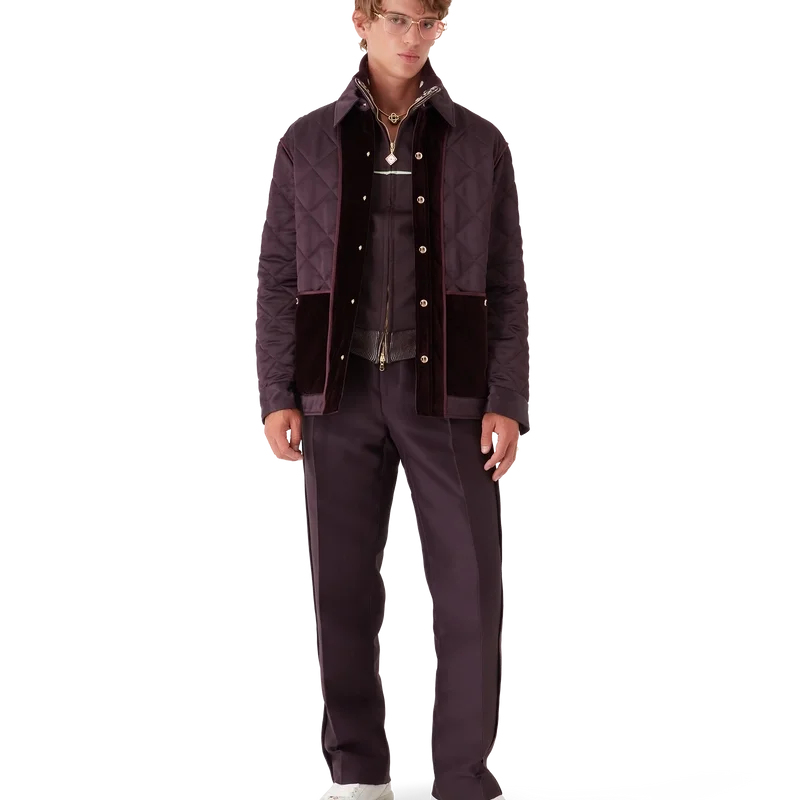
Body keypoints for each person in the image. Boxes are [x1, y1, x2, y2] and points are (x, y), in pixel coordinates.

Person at [256, 1, 530, 798]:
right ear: (361, 20)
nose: (416, 39)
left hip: (448, 391)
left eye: (430, 22)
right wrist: (277, 393)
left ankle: (464, 777)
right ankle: (356, 771)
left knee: (471, 588)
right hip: (336, 392)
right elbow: (278, 278)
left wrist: (506, 398)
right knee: (341, 588)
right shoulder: (306, 140)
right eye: (401, 20)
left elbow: (507, 282)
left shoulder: (480, 142)